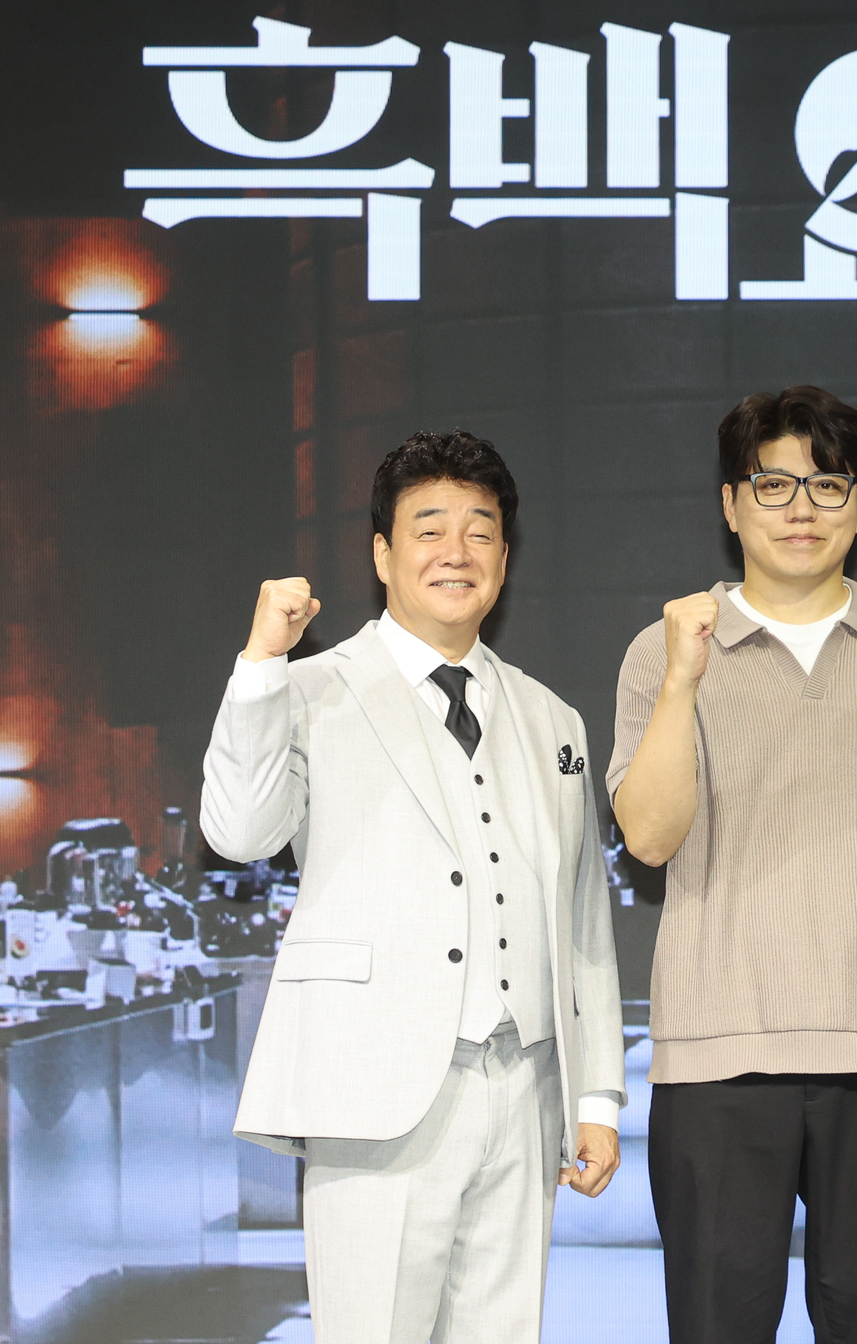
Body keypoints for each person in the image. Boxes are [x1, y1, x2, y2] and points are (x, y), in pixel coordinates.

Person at [200, 430, 626, 1344]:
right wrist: (259, 664)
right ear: (383, 556)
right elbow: (238, 833)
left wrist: (595, 1099)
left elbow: (581, 915)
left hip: (526, 1084)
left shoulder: (552, 716)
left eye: (481, 531)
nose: (456, 551)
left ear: (505, 561)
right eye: (429, 528)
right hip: (371, 1081)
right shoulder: (307, 688)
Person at [608, 386, 857, 1344]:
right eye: (773, 485)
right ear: (730, 504)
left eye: (827, 484)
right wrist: (687, 680)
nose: (801, 508)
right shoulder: (663, 650)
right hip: (722, 1052)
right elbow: (646, 838)